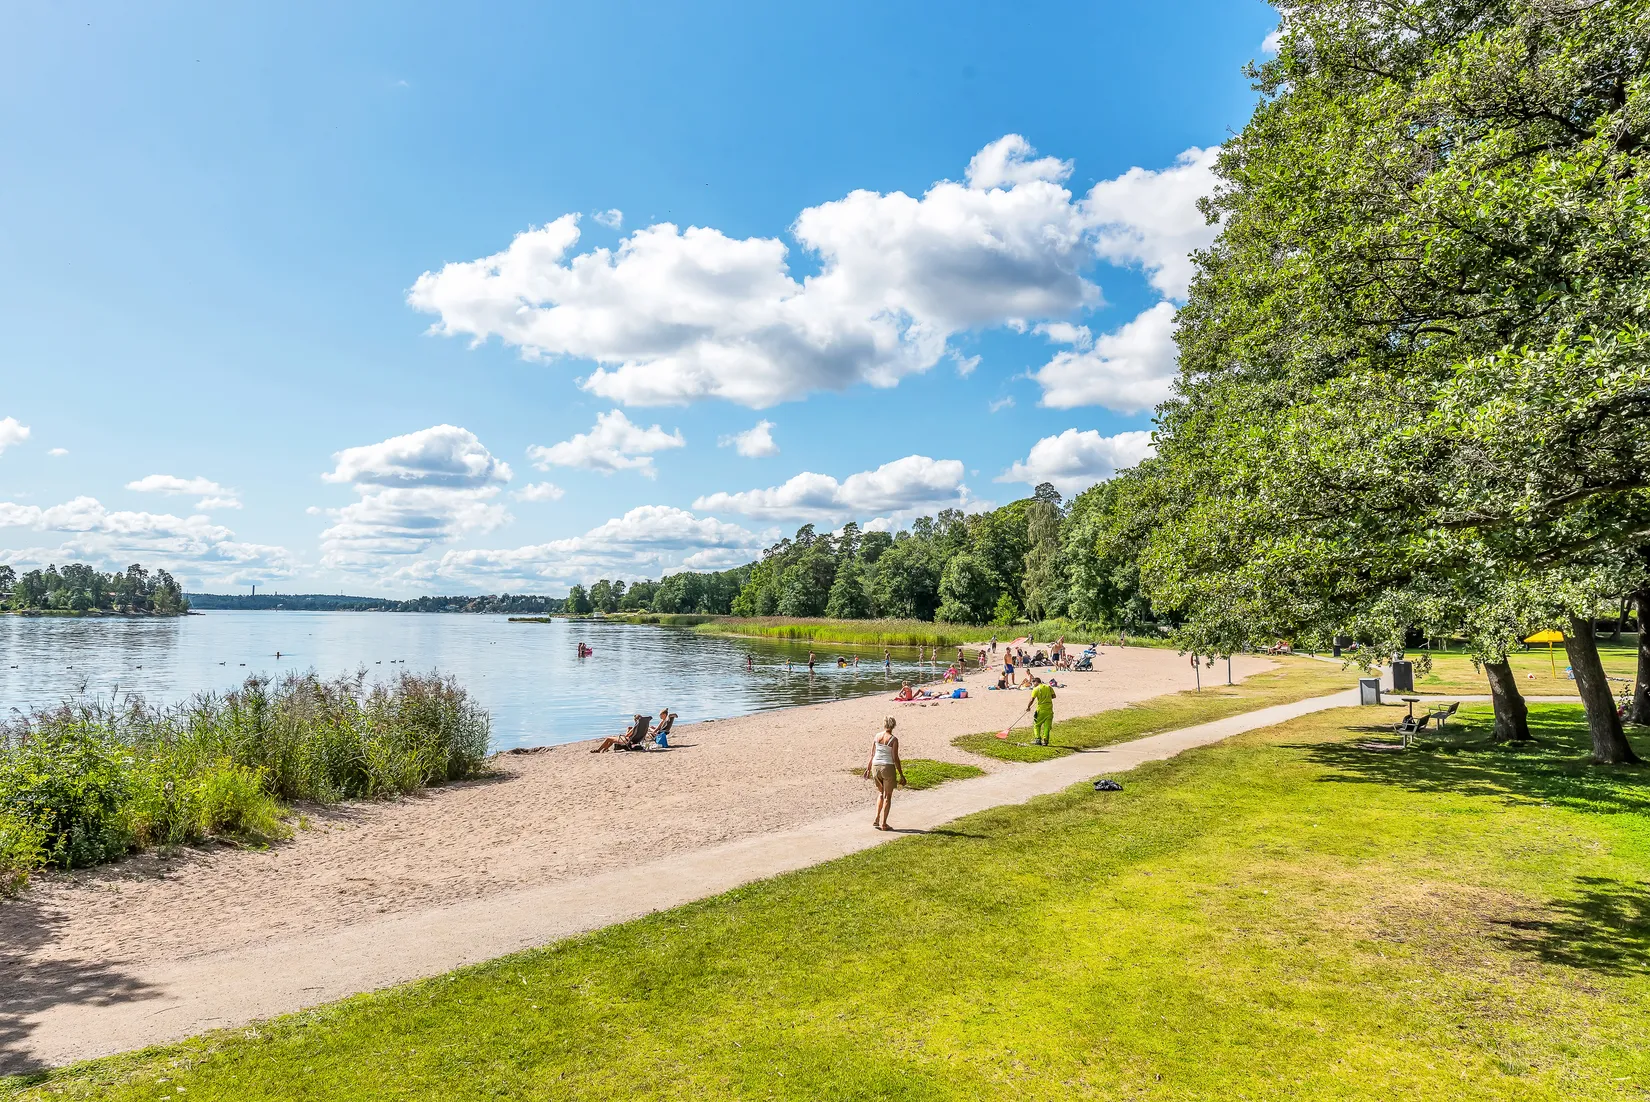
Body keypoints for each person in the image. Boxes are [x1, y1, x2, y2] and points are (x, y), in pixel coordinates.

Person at [863, 715, 907, 830]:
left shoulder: (877, 736)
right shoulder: (893, 739)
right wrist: (901, 774)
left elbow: (872, 754)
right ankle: (884, 823)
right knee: (888, 796)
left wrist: (868, 769)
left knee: (881, 793)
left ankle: (876, 818)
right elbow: (895, 758)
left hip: (875, 766)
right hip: (887, 767)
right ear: (894, 725)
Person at [1026, 676, 1056, 746]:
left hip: (1041, 710)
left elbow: (1032, 699)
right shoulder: (1048, 687)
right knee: (1047, 726)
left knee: (1037, 725)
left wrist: (1028, 707)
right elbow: (1054, 696)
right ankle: (1045, 739)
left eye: (1033, 683)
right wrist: (1047, 698)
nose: (1033, 685)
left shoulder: (1036, 689)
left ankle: (1038, 739)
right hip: (1049, 709)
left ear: (1036, 682)